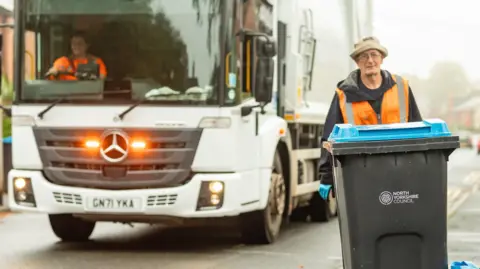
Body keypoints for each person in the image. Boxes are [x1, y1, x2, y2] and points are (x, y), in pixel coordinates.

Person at [318, 36, 423, 200]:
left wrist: (419, 167)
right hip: (361, 174)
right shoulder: (344, 94)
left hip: (400, 171)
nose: (369, 60)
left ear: (382, 58)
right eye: (363, 56)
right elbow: (329, 138)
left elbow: (418, 129)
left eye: (374, 54)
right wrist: (327, 176)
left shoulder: (401, 88)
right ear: (357, 62)